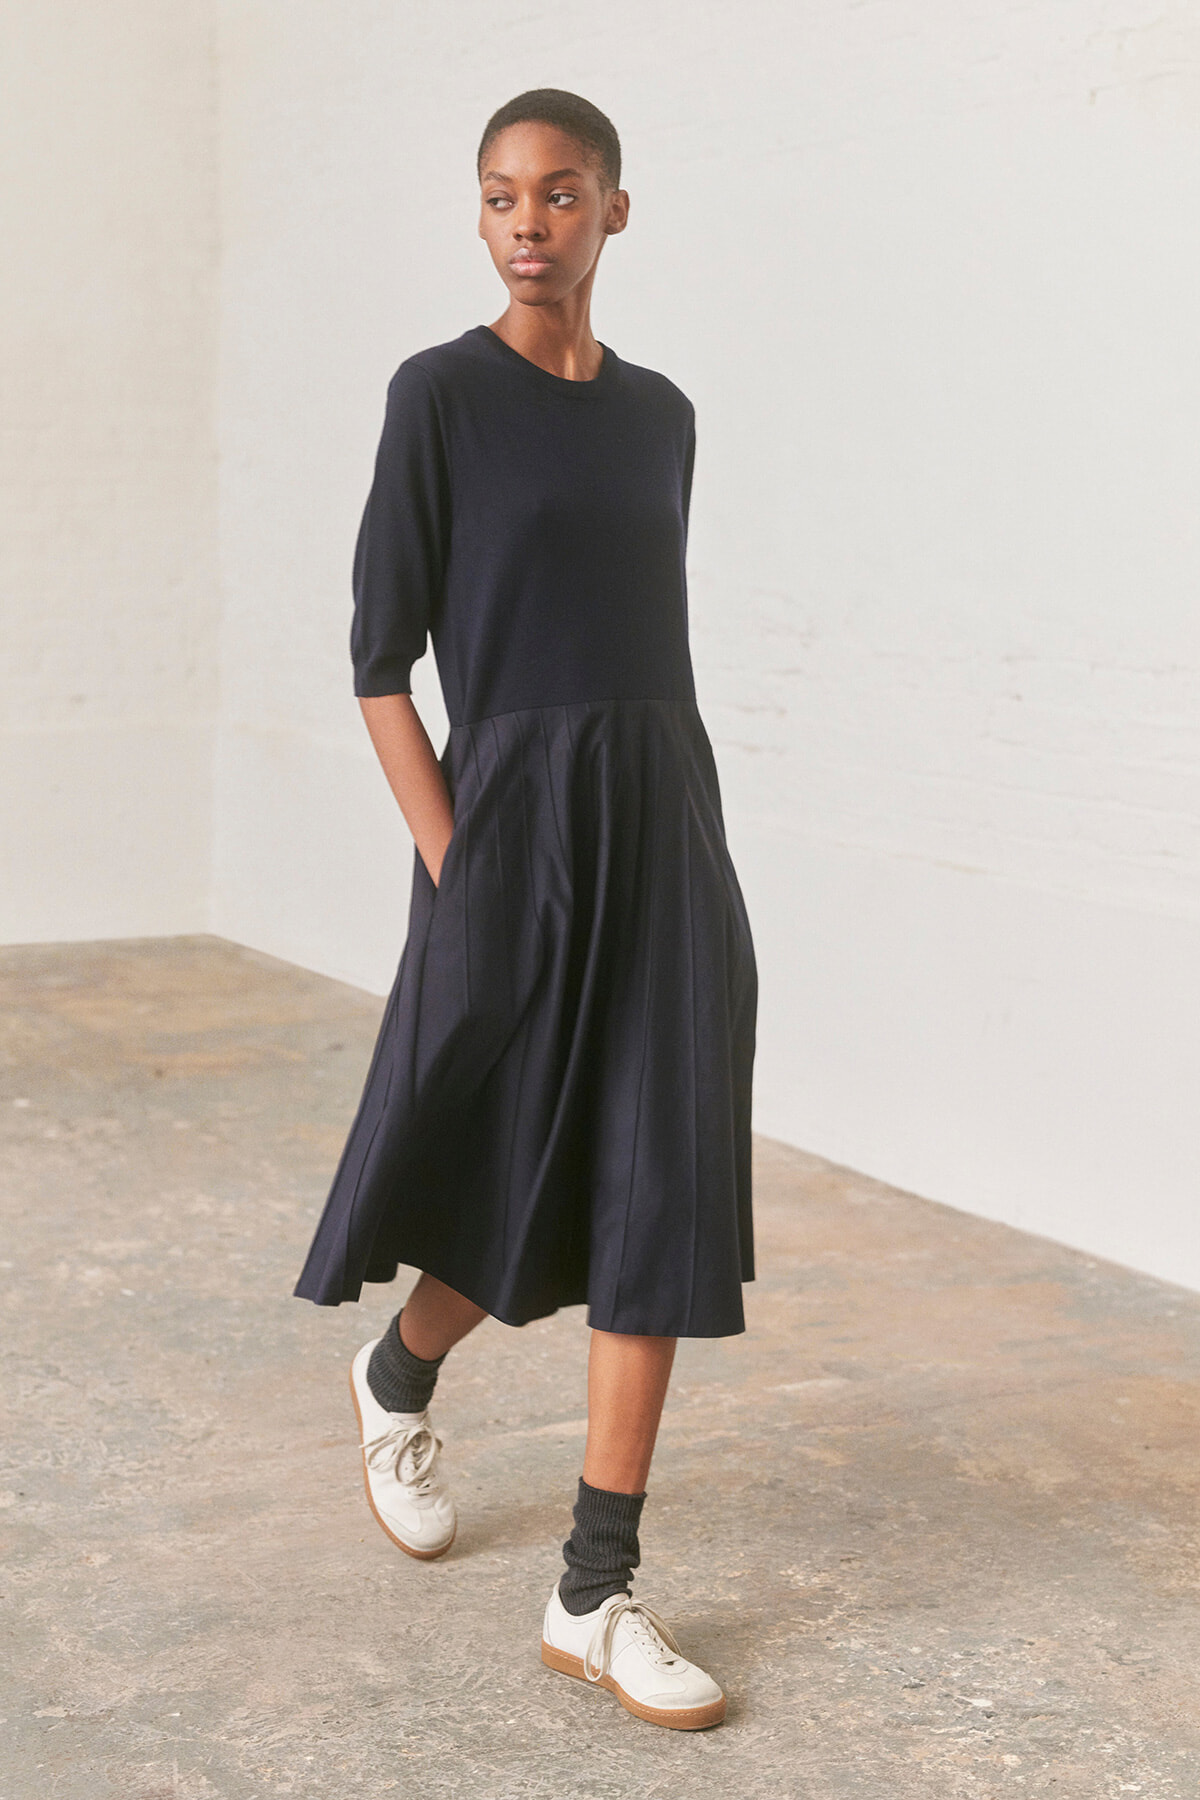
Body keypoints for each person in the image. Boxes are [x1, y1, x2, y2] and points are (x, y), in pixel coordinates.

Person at [294, 87, 757, 1732]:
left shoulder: (663, 416)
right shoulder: (439, 397)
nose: (528, 222)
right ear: (479, 215)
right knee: (519, 1163)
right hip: (509, 825)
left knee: (658, 1189)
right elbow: (380, 662)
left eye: (560, 194)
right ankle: (398, 1366)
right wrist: (457, 855)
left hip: (664, 820)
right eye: (501, 196)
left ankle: (594, 1590)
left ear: (614, 211)